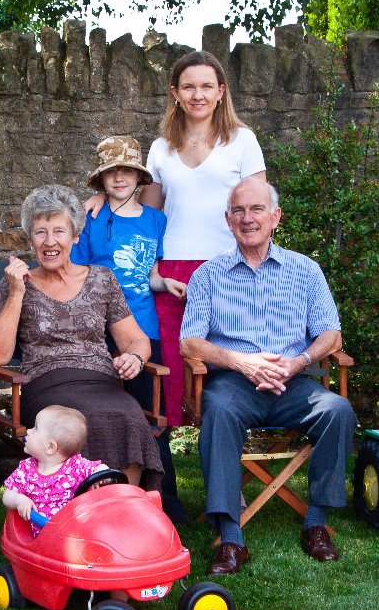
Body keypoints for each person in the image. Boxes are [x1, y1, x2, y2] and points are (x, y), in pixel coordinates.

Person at [179, 179, 355, 572]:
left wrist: (298, 362)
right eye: (239, 211)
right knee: (219, 411)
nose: (247, 218)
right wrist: (244, 363)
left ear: (275, 217)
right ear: (228, 220)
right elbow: (190, 343)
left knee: (337, 410)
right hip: (233, 384)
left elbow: (332, 334)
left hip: (292, 382)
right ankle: (230, 537)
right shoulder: (208, 275)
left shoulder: (306, 270)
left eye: (257, 209)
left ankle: (315, 522)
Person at [86, 51, 267, 428]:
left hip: (227, 268)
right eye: (188, 86)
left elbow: (259, 207)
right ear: (175, 93)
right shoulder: (161, 148)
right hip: (171, 272)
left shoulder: (242, 141)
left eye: (206, 86)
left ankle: (227, 450)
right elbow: (143, 213)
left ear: (221, 92)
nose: (197, 94)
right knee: (167, 365)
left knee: (229, 356)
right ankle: (161, 465)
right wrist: (105, 196)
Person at [0, 184, 163, 489]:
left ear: (76, 236)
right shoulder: (16, 283)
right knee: (85, 418)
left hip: (101, 382)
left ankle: (122, 505)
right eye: (41, 232)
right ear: (30, 239)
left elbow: (136, 340)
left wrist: (135, 357)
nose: (50, 242)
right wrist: (16, 294)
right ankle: (84, 510)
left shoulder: (102, 279)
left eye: (59, 231)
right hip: (47, 384)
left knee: (129, 415)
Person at [71, 135, 188, 522]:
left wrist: (164, 284)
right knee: (100, 410)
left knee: (153, 414)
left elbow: (148, 274)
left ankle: (163, 499)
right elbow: (78, 275)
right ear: (101, 179)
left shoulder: (157, 220)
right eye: (110, 172)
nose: (119, 177)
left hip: (144, 327)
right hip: (100, 329)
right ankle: (95, 497)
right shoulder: (91, 217)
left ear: (138, 176)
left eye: (126, 170)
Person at [2, 405, 106, 537]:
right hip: (40, 542)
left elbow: (100, 468)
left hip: (74, 537)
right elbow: (7, 495)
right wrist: (19, 500)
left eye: (35, 429)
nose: (28, 431)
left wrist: (101, 474)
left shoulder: (75, 466)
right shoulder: (26, 469)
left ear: (50, 447)